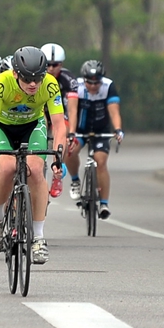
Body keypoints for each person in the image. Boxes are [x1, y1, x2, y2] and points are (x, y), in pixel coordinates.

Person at [0, 46, 67, 265]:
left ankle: (38, 237)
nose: (33, 84)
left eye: (37, 79)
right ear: (15, 74)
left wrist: (58, 158)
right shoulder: (1, 84)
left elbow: (59, 125)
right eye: (27, 79)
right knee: (6, 167)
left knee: (36, 170)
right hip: (3, 127)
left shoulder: (49, 84)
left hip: (33, 126)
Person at [67, 60, 124, 219]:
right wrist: (71, 133)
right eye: (89, 83)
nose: (93, 86)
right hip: (80, 129)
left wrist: (118, 129)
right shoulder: (76, 85)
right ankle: (75, 181)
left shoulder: (108, 86)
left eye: (96, 82)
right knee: (69, 151)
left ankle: (104, 203)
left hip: (100, 130)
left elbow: (114, 112)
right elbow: (72, 111)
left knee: (101, 161)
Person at [40, 42, 80, 199]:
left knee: (63, 131)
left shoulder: (68, 79)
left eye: (55, 65)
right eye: (47, 65)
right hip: (41, 111)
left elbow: (73, 109)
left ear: (61, 64)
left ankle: (57, 172)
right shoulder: (36, 78)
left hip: (60, 112)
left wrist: (72, 133)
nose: (51, 68)